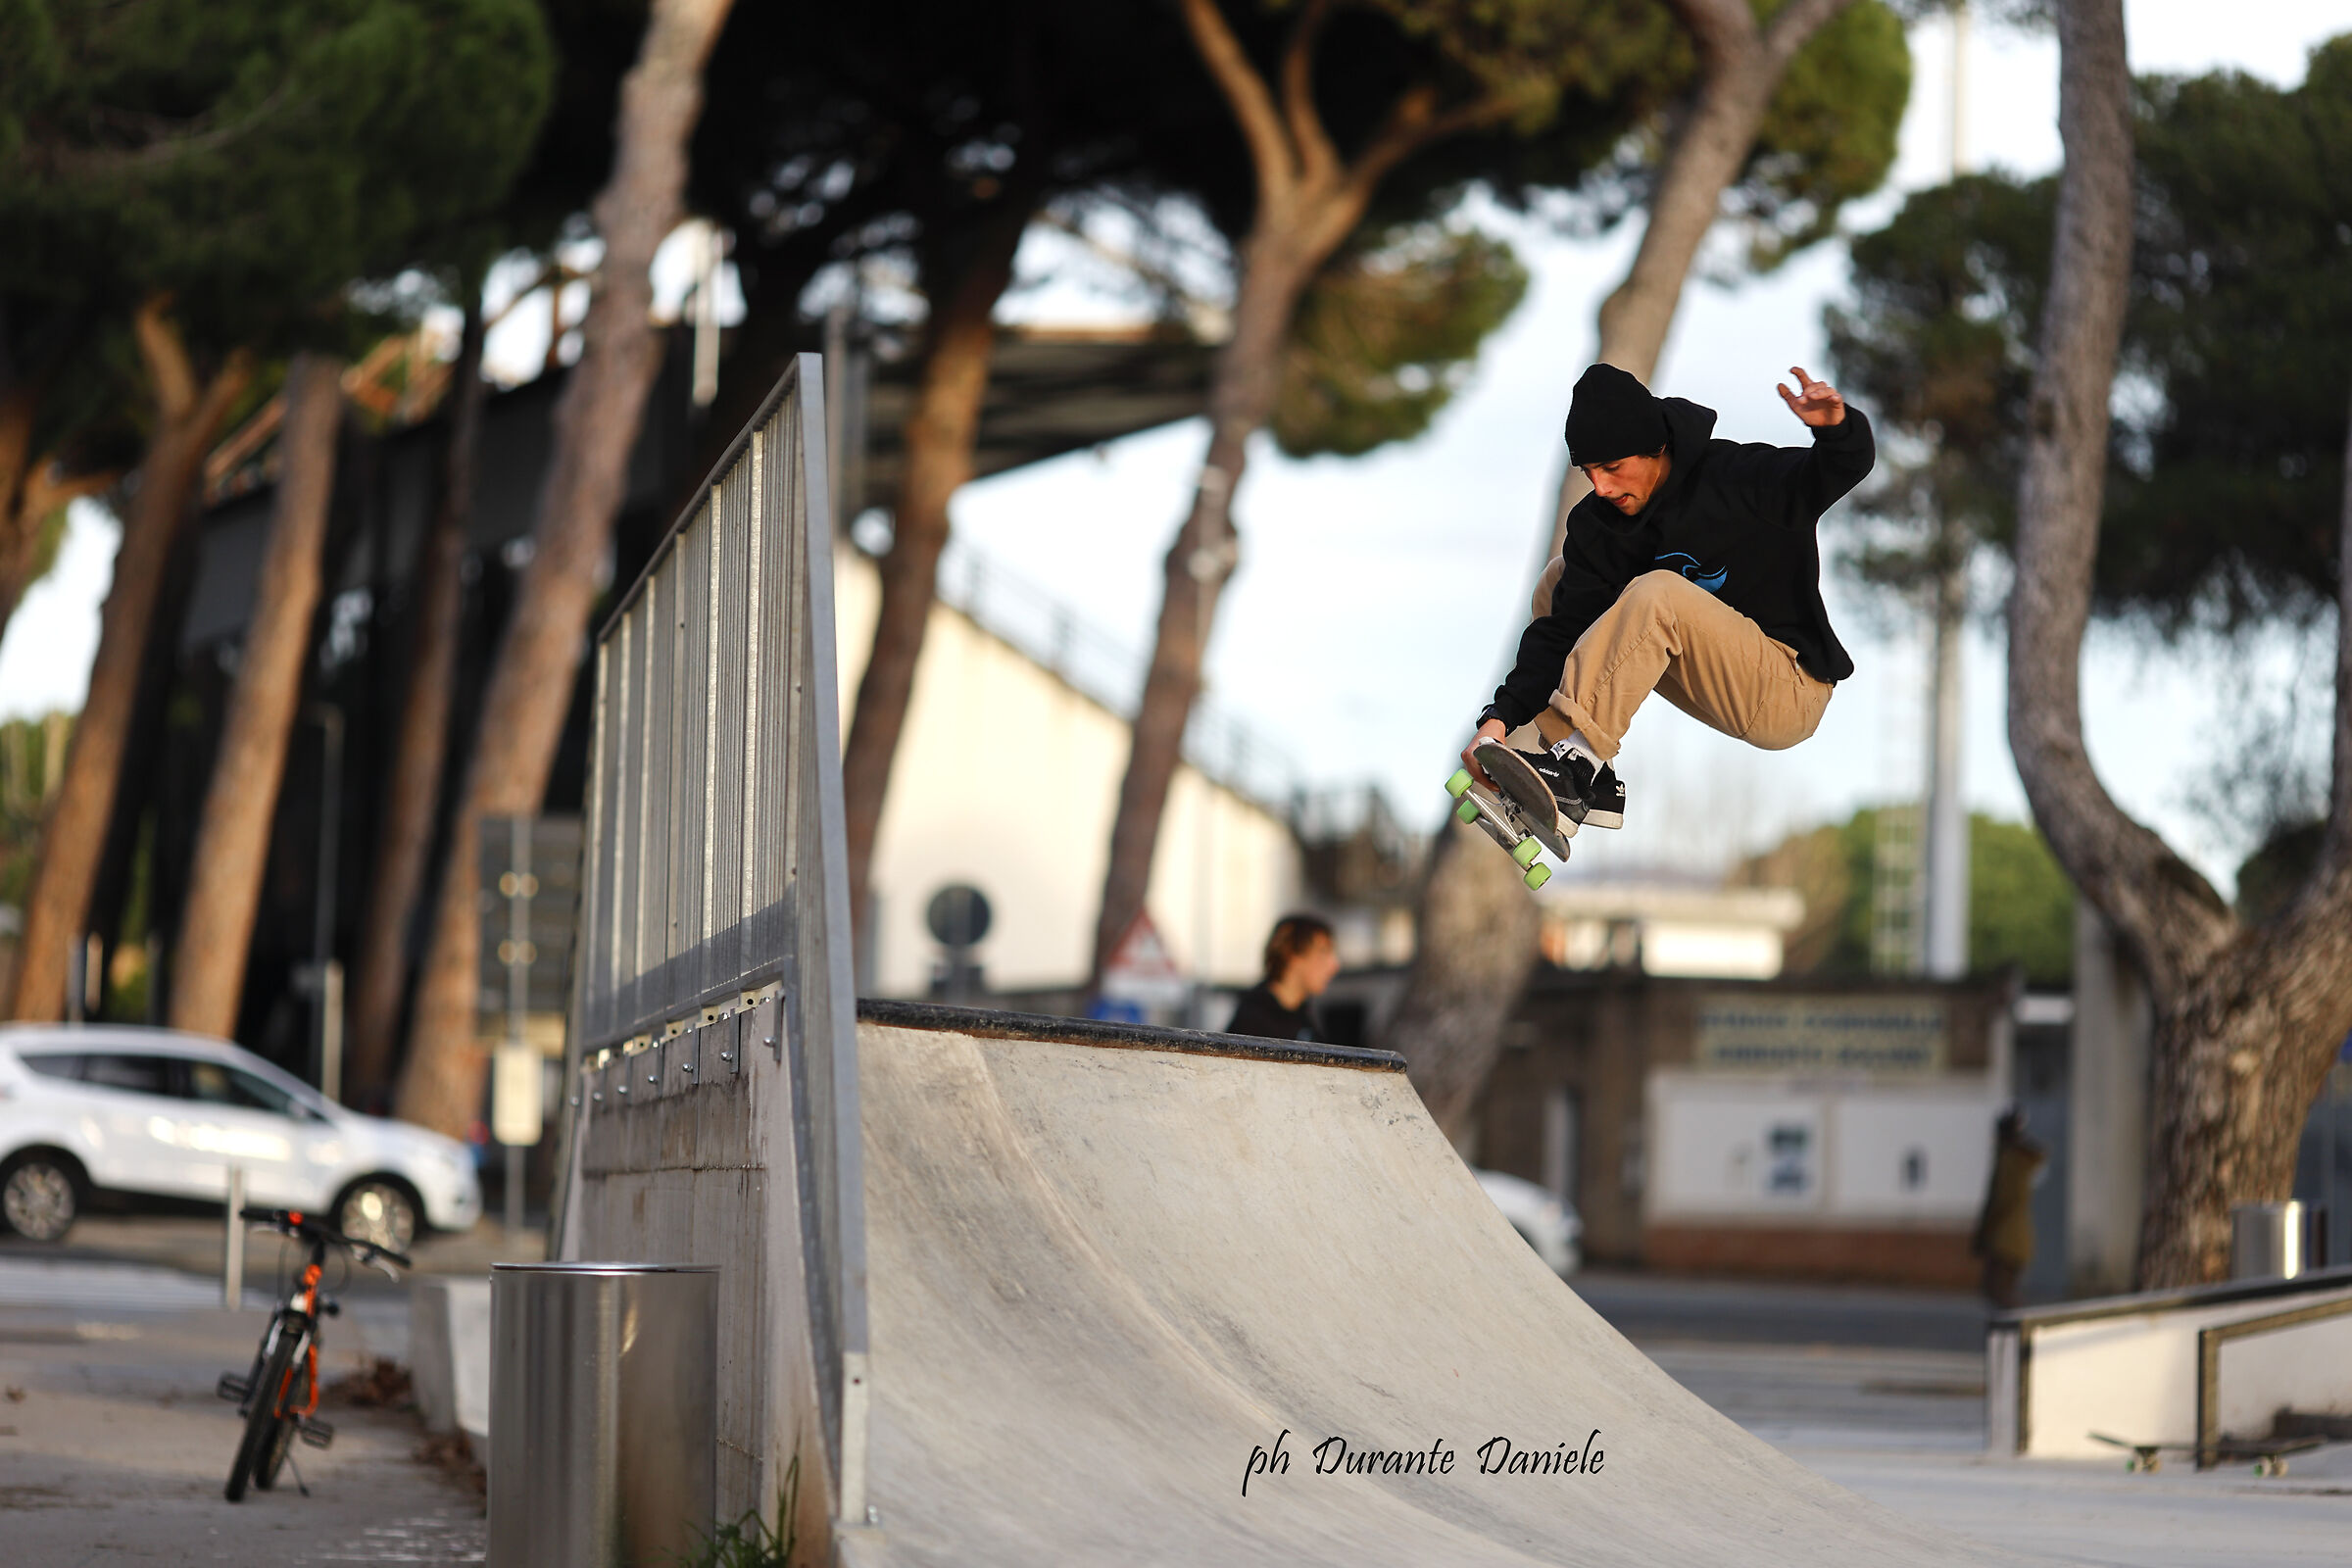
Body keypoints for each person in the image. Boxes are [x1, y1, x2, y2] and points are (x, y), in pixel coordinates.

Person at [1461, 362, 1874, 836]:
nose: (1602, 487)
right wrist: (1500, 720)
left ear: (1654, 448)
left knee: (1659, 592)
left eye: (1613, 468)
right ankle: (1587, 779)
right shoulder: (1599, 528)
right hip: (1708, 671)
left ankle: (1574, 763)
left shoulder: (1737, 477)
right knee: (1558, 582)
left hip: (1788, 686)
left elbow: (1831, 473)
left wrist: (1838, 431)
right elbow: (1559, 635)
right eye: (1589, 471)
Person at [1972, 1108, 2048, 1309]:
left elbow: (2000, 1201)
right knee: (2002, 1290)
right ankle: (2016, 1329)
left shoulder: (2009, 1161)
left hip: (2004, 1240)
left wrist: (1983, 1234)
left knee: (1998, 1290)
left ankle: (2019, 1329)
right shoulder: (2020, 1160)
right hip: (2016, 1239)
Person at [1224, 914, 1341, 1043]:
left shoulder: (1305, 1018)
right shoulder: (1253, 1021)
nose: (1334, 965)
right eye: (1323, 952)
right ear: (1291, 954)